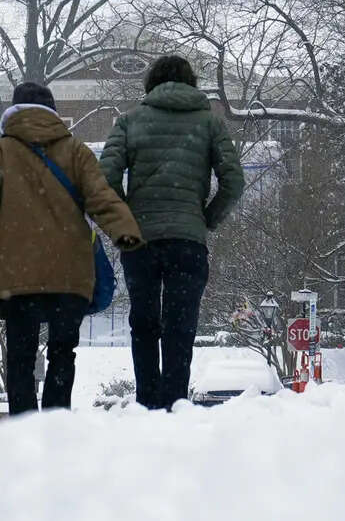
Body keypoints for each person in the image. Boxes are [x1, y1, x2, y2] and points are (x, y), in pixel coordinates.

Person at [0, 80, 143, 415]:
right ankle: (56, 422)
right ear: (53, 113)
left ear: (12, 113)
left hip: (15, 272)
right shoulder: (76, 151)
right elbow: (101, 196)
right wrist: (124, 231)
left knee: (21, 351)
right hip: (69, 273)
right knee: (63, 350)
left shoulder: (1, 152)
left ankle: (23, 423)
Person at [100, 55, 245, 410]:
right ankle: (176, 404)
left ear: (151, 83)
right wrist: (206, 218)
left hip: (140, 241)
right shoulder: (210, 124)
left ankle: (147, 403)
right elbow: (234, 181)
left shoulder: (129, 122)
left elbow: (104, 178)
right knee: (181, 327)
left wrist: (126, 220)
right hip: (187, 241)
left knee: (144, 323)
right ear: (191, 83)